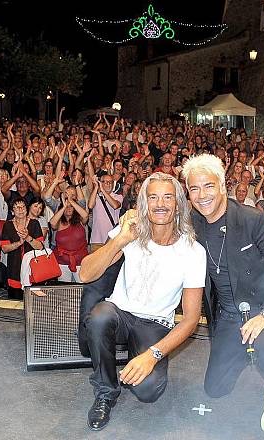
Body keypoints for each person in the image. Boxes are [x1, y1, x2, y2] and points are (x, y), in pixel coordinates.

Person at [78, 172, 205, 431]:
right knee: (99, 317)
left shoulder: (193, 251)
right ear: (144, 203)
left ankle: (137, 358)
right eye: (153, 197)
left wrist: (152, 355)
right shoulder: (130, 231)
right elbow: (85, 274)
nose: (160, 204)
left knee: (148, 391)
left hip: (155, 323)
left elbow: (191, 319)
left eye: (168, 197)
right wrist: (121, 240)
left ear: (179, 204)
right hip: (119, 313)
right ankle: (105, 392)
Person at [183, 154, 264, 433]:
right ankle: (245, 353)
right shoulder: (192, 222)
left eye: (208, 186)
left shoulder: (252, 220)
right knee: (215, 389)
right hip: (228, 314)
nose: (202, 195)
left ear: (223, 186)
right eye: (194, 188)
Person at [0, 197, 44, 299]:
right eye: (17, 207)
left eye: (23, 207)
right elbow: (4, 248)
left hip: (33, 268)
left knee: (33, 300)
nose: (21, 210)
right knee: (15, 300)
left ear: (27, 209)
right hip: (14, 268)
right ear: (12, 211)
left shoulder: (34, 223)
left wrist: (27, 238)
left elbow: (40, 246)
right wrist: (19, 243)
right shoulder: (8, 225)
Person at [50, 191, 89, 282]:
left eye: (71, 206)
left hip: (81, 261)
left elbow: (85, 215)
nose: (68, 208)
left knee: (82, 287)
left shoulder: (80, 220)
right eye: (66, 207)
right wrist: (64, 206)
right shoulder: (59, 222)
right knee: (64, 289)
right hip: (62, 262)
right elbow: (52, 223)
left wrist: (71, 201)